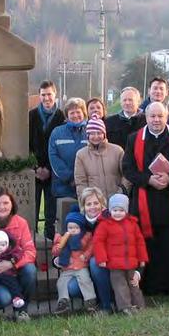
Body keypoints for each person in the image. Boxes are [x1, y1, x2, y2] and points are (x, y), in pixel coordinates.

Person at [121, 101, 169, 295]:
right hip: (144, 199)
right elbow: (127, 169)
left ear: (166, 116)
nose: (156, 120)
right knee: (146, 244)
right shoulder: (133, 139)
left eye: (160, 116)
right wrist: (148, 179)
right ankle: (148, 286)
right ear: (146, 117)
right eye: (152, 116)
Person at [0, 187, 37, 320]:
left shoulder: (21, 223)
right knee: (3, 298)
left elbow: (30, 251)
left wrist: (12, 264)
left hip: (15, 272)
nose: (2, 207)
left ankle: (22, 310)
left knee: (30, 270)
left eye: (6, 203)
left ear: (12, 204)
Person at [93, 193, 148, 315]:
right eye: (114, 210)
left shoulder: (132, 224)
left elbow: (140, 242)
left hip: (131, 262)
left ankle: (139, 306)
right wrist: (102, 258)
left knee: (134, 284)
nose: (117, 213)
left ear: (126, 211)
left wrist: (142, 258)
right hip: (115, 264)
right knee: (120, 286)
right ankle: (125, 307)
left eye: (121, 210)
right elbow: (98, 242)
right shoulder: (105, 225)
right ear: (110, 210)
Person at [29, 80, 66, 238]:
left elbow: (62, 148)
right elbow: (27, 144)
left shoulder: (61, 116)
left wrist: (50, 170)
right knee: (33, 208)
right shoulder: (31, 115)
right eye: (43, 95)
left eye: (49, 94)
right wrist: (36, 167)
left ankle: (50, 240)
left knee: (51, 211)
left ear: (55, 95)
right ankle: (31, 239)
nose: (46, 98)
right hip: (35, 171)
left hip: (53, 172)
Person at [47, 97, 88, 234]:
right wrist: (71, 178)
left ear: (84, 113)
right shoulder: (57, 132)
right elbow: (54, 157)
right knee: (64, 226)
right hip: (63, 187)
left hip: (86, 187)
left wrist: (81, 180)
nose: (75, 115)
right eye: (72, 113)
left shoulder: (91, 132)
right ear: (67, 115)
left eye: (78, 112)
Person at [51, 212, 97, 314]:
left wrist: (85, 255)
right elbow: (54, 251)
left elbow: (91, 247)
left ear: (81, 228)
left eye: (76, 228)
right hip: (67, 268)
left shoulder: (84, 238)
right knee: (61, 282)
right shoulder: (63, 239)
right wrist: (58, 250)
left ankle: (90, 301)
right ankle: (63, 302)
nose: (73, 230)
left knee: (85, 281)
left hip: (81, 266)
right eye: (70, 227)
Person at [74, 117, 126, 198]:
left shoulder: (117, 151)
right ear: (88, 135)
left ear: (104, 134)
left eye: (99, 133)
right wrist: (87, 200)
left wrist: (121, 192)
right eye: (92, 133)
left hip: (116, 202)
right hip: (94, 203)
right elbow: (81, 182)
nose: (96, 136)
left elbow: (126, 175)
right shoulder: (81, 155)